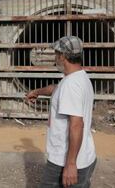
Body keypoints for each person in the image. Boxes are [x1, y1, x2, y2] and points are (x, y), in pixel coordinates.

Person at [26, 36, 96, 188]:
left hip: (64, 160)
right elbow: (56, 89)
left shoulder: (71, 85)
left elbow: (77, 125)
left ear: (63, 56)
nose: (55, 58)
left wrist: (70, 164)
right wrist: (37, 91)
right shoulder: (79, 77)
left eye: (56, 54)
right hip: (84, 157)